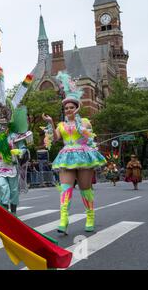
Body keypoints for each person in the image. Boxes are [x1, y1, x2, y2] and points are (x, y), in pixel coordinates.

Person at [42, 72, 106, 234]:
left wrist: (78, 122)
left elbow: (88, 136)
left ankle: (90, 217)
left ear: (77, 108)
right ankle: (64, 219)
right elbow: (55, 138)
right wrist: (50, 122)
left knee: (85, 189)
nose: (68, 110)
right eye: (66, 108)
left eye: (71, 107)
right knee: (65, 189)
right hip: (66, 157)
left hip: (84, 156)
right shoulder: (62, 125)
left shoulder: (84, 122)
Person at [0, 66, 32, 216]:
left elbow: (24, 149)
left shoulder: (15, 136)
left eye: (5, 121)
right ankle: (4, 212)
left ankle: (13, 213)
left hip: (13, 166)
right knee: (2, 187)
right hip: (0, 167)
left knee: (13, 190)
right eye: (0, 121)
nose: (2, 124)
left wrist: (20, 151)